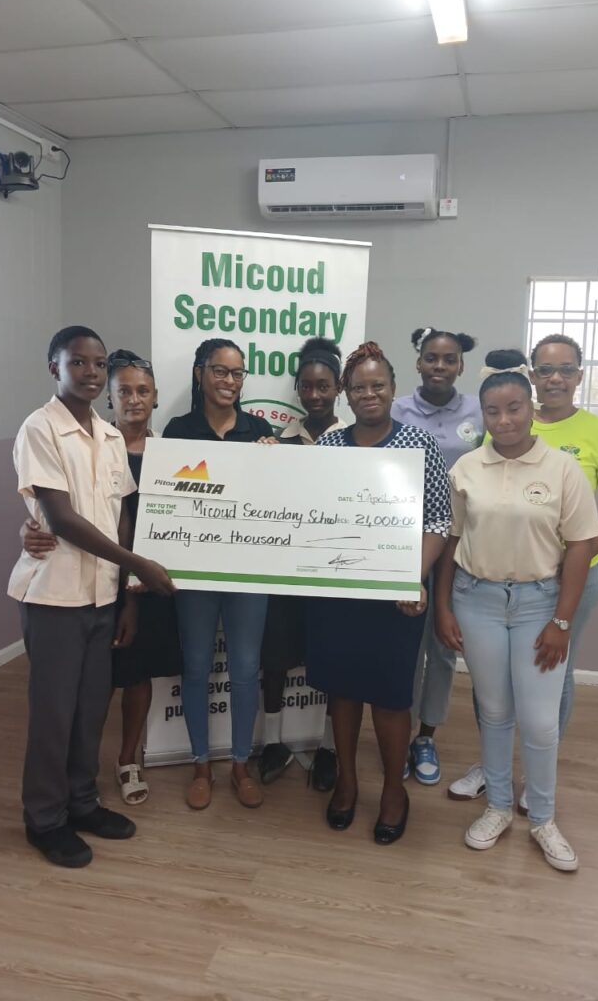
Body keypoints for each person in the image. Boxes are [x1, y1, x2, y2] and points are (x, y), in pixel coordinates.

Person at [447, 334, 598, 808]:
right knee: (493, 692)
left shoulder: (596, 436)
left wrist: (579, 549)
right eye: (546, 369)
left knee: (551, 679)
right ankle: (494, 771)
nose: (556, 377)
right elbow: (470, 521)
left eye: (566, 369)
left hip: (566, 579)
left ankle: (535, 783)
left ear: (579, 375)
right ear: (532, 375)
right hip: (491, 585)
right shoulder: (490, 439)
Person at [8, 327, 174, 868]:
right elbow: (61, 519)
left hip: (103, 596)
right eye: (77, 362)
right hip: (55, 596)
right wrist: (140, 566)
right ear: (53, 367)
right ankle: (44, 818)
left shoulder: (108, 436)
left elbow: (121, 514)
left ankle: (82, 802)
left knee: (89, 711)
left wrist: (126, 593)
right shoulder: (40, 429)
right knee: (54, 715)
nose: (91, 372)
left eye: (98, 363)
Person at [434, 350, 598, 872]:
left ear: (530, 408)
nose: (504, 420)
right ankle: (499, 807)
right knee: (494, 712)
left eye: (513, 408)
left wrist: (562, 621)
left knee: (540, 721)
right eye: (492, 411)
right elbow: (451, 540)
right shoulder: (467, 467)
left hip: (539, 603)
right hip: (476, 599)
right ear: (481, 414)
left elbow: (580, 546)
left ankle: (544, 819)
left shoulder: (562, 468)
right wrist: (442, 607)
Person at [305, 342, 450, 845]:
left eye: (378, 385)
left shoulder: (419, 444)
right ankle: (346, 781)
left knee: (390, 698)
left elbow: (438, 521)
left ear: (392, 389)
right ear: (345, 393)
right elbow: (306, 510)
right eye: (359, 387)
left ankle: (393, 790)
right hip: (338, 593)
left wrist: (413, 575)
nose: (369, 394)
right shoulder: (328, 446)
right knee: (343, 692)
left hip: (396, 594)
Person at [163, 338, 274, 811]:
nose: (229, 381)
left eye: (237, 373)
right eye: (220, 371)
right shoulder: (178, 431)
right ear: (200, 373)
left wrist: (277, 461)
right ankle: (201, 764)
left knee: (246, 670)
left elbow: (276, 499)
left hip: (249, 572)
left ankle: (241, 765)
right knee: (196, 667)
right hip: (195, 573)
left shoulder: (259, 430)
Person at [391, 326, 482, 786]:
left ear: (461, 365)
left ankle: (426, 736)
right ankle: (398, 733)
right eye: (431, 358)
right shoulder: (396, 409)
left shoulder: (479, 412)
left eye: (449, 359)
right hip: (406, 542)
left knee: (443, 647)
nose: (439, 366)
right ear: (419, 362)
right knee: (405, 644)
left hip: (460, 547)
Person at [258, 337, 345, 790]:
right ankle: (272, 742)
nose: (314, 395)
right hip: (285, 572)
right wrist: (263, 461)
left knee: (331, 661)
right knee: (274, 657)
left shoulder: (354, 441)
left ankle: (329, 748)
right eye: (306, 386)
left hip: (334, 572)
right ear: (296, 389)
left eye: (323, 386)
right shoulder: (279, 441)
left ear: (339, 388)